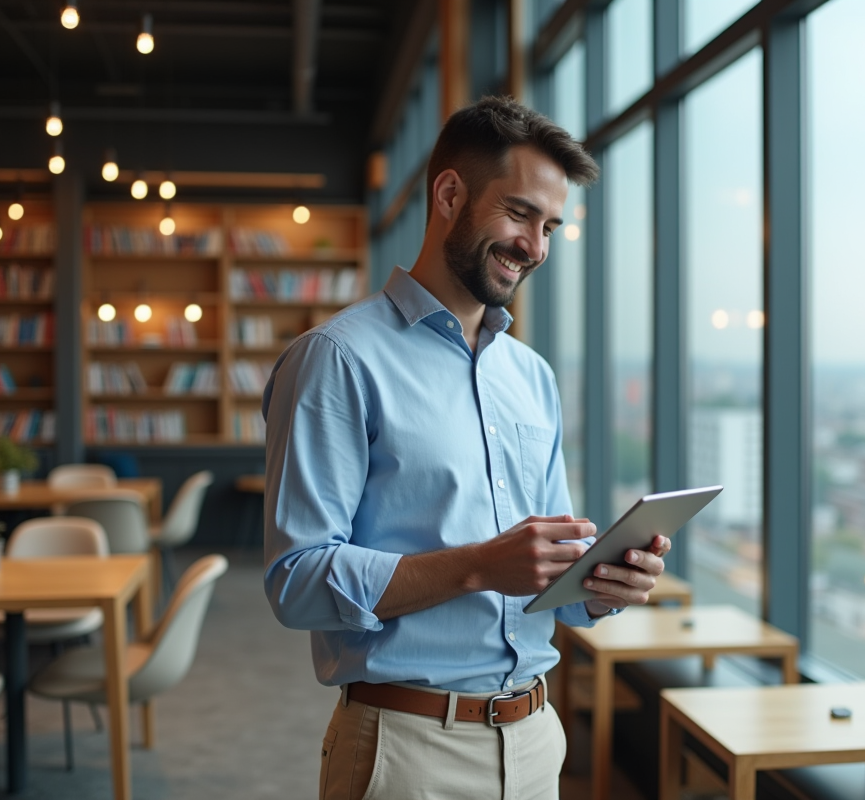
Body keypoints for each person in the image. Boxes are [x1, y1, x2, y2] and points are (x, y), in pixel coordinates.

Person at [262, 95, 671, 800]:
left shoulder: (531, 377)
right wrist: (479, 565)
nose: (536, 246)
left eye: (549, 226)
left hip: (537, 742)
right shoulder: (336, 359)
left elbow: (550, 587)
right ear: (450, 194)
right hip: (407, 752)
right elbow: (297, 581)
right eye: (519, 214)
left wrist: (602, 587)